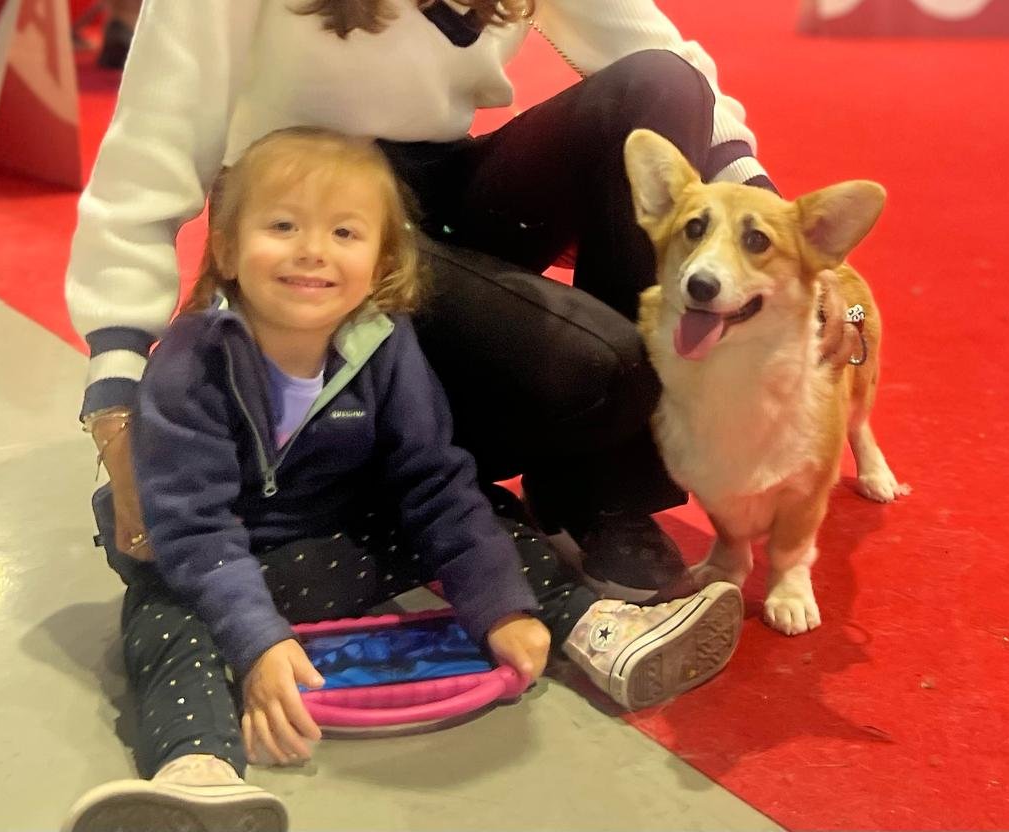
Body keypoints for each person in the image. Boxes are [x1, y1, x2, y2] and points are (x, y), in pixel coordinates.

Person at [62, 127, 744, 831]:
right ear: (229, 250)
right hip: (216, 563)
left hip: (339, 546)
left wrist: (498, 607)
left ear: (382, 261)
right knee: (164, 616)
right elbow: (195, 527)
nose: (312, 250)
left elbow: (433, 480)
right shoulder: (192, 362)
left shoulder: (382, 343)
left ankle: (591, 627)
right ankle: (196, 771)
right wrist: (257, 641)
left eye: (344, 232)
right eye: (283, 226)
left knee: (486, 513)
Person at [68, 0, 845, 606]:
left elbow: (668, 58)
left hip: (439, 186)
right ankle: (376, 459)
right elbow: (153, 139)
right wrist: (117, 386)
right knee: (605, 372)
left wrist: (791, 250)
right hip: (304, 210)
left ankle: (599, 495)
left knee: (660, 85)